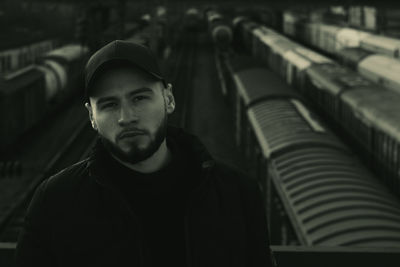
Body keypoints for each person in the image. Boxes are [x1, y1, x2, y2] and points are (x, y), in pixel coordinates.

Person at [16, 40, 275, 267]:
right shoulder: (54, 202)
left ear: (169, 99)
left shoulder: (238, 195)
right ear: (92, 117)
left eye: (139, 98)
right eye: (109, 104)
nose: (126, 117)